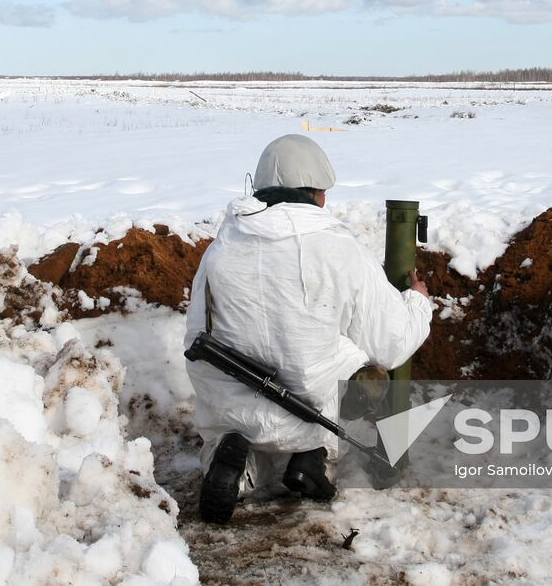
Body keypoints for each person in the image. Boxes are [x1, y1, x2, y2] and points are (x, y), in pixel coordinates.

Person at [183, 134, 432, 523]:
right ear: (318, 192)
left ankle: (239, 466)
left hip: (231, 408)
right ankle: (314, 458)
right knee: (368, 371)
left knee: (249, 425)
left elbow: (195, 335)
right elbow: (391, 342)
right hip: (313, 408)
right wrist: (417, 301)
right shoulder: (338, 247)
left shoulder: (220, 248)